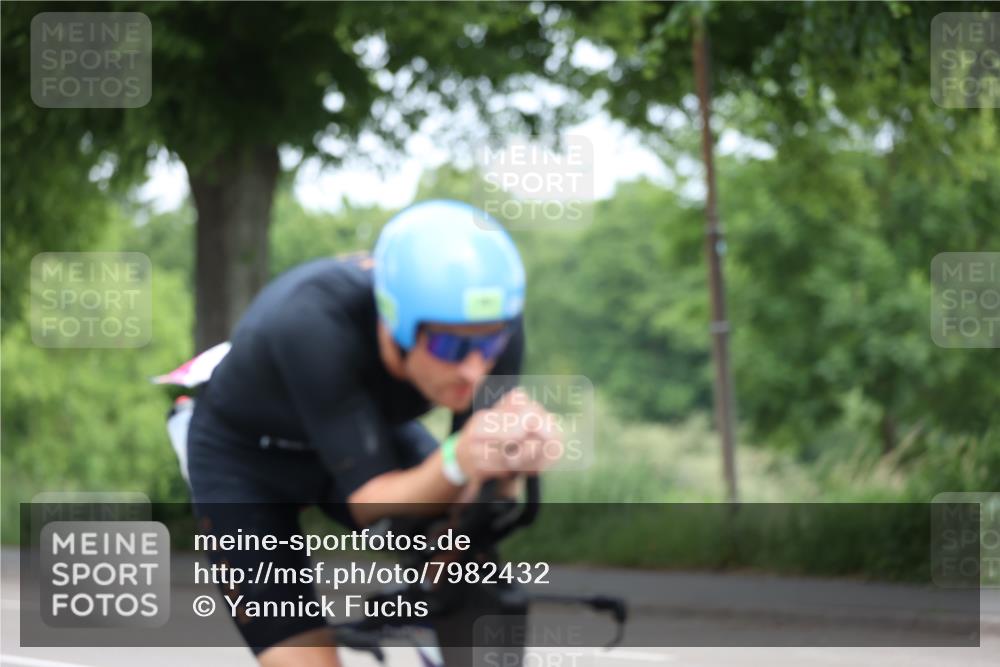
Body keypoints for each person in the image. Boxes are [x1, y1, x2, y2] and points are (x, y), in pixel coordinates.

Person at [186, 199, 561, 667]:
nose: (474, 369)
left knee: (472, 574)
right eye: (450, 345)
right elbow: (369, 501)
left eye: (488, 344)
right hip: (245, 460)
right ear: (396, 323)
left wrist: (505, 471)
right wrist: (455, 460)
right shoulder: (311, 323)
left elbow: (469, 502)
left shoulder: (493, 329)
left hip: (363, 430)